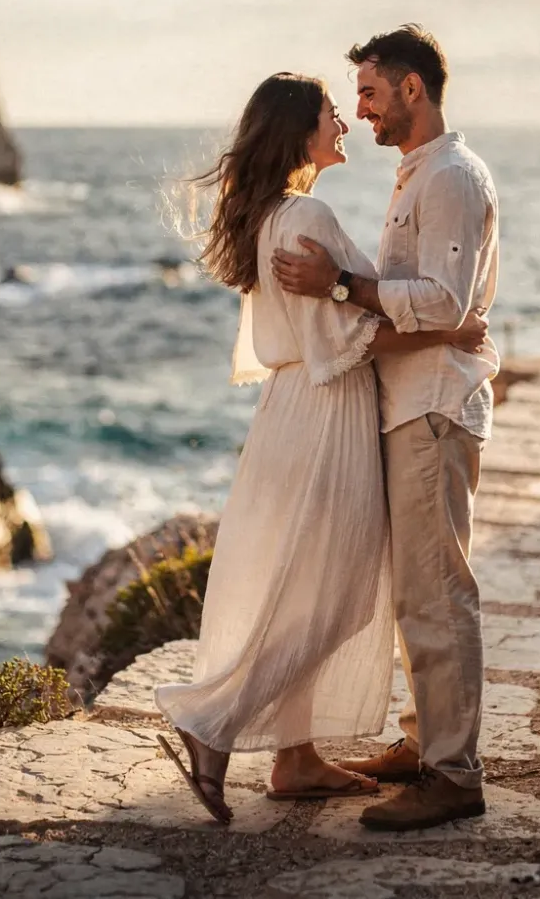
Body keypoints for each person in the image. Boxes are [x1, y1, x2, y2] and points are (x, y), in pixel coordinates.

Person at [155, 71, 489, 825]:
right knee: (337, 594)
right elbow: (359, 332)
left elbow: (332, 315)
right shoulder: (307, 213)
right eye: (332, 113)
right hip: (329, 408)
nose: (344, 120)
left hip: (290, 409)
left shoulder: (270, 214)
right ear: (301, 133)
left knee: (313, 580)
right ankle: (212, 721)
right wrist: (451, 328)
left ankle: (297, 757)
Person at [271, 25, 500, 832]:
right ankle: (426, 741)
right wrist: (349, 293)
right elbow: (423, 301)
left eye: (369, 92)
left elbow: (441, 300)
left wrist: (339, 284)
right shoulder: (419, 174)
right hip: (411, 400)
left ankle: (454, 773)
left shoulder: (451, 177)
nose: (360, 110)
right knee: (416, 593)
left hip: (434, 405)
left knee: (437, 591)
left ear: (413, 88)